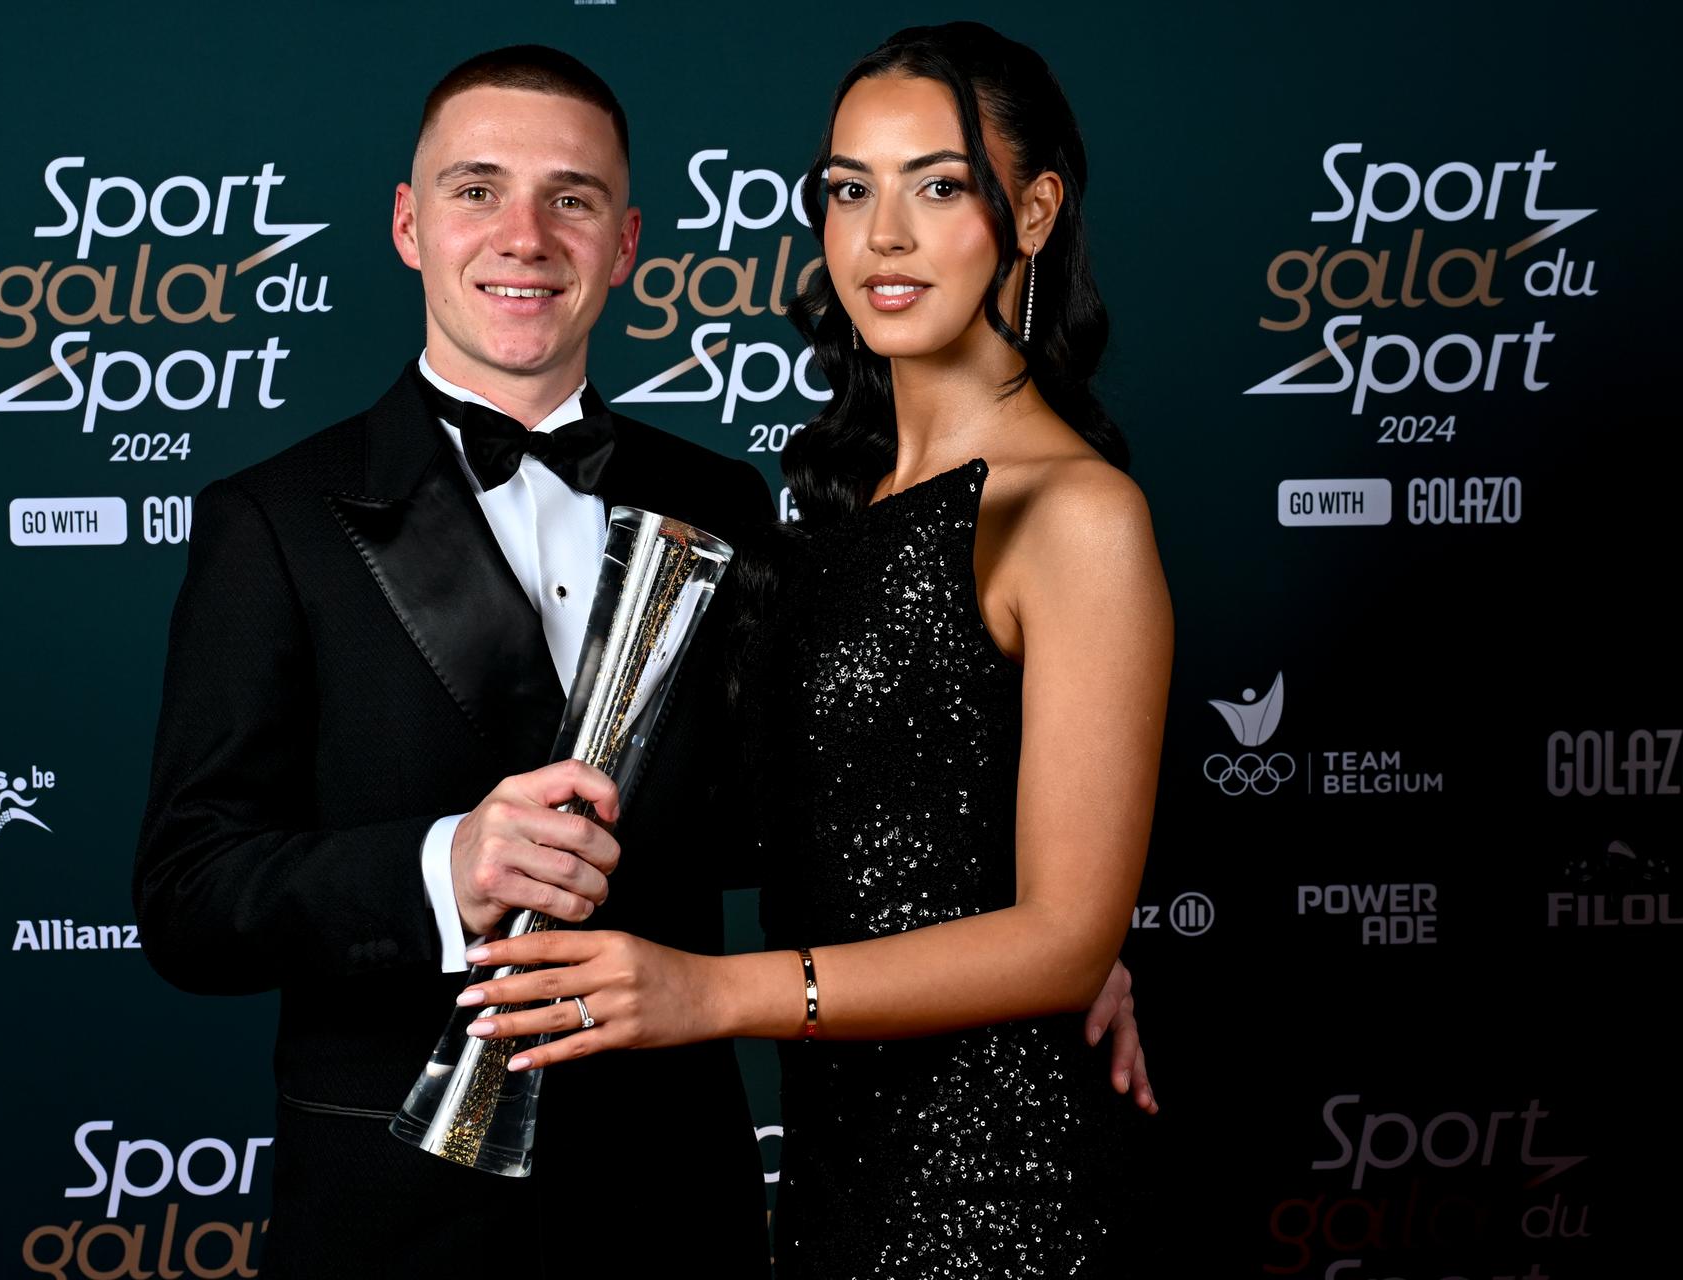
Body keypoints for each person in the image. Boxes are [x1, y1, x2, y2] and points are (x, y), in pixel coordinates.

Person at [135, 41, 1153, 1279]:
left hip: (684, 1202)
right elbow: (190, 896)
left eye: (570, 198)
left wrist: (1064, 936)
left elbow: (823, 799)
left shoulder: (728, 500)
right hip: (401, 1216)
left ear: (624, 247)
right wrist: (438, 865)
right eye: (476, 190)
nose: (524, 235)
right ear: (408, 224)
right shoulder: (273, 519)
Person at [456, 24, 1172, 1278]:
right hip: (837, 1167)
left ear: (1037, 209)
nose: (880, 237)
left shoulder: (1077, 513)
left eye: (937, 186)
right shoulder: (828, 506)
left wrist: (710, 994)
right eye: (850, 190)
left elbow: (1060, 933)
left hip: (995, 1183)